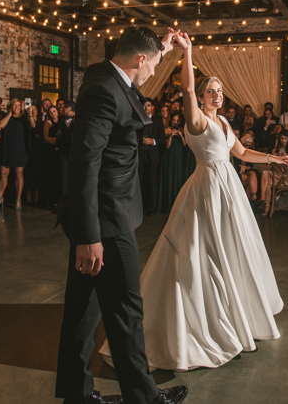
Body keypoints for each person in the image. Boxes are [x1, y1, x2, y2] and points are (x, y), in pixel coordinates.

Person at [100, 29, 288, 373]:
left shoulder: (226, 121)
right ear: (201, 97)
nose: (216, 94)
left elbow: (243, 153)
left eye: (219, 90)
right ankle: (194, 319)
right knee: (203, 253)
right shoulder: (197, 120)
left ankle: (235, 314)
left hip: (229, 190)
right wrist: (188, 53)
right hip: (206, 189)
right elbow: (187, 87)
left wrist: (276, 159)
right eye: (210, 91)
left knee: (233, 250)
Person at [55, 26, 187, 404]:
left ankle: (76, 396)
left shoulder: (104, 73)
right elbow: (83, 166)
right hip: (105, 221)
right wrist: (88, 236)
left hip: (102, 215)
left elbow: (136, 69)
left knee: (83, 311)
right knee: (127, 312)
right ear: (139, 59)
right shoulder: (102, 91)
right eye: (155, 61)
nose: (156, 70)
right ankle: (144, 400)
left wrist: (162, 44)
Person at [0, 99, 35, 209]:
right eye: (14, 106)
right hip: (6, 149)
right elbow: (0, 126)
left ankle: (18, 198)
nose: (16, 108)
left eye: (18, 106)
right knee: (3, 175)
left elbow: (33, 125)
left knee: (18, 174)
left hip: (19, 149)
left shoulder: (24, 119)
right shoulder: (6, 117)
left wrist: (30, 115)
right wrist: (9, 114)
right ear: (10, 107)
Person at [260, 129, 288, 215]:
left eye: (285, 138)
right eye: (282, 138)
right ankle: (263, 198)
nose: (283, 141)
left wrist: (287, 157)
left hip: (287, 175)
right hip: (276, 172)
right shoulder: (275, 150)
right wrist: (277, 157)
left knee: (268, 182)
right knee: (264, 173)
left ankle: (267, 207)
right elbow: (272, 163)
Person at [139, 100, 165, 215]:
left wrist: (153, 141)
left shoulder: (158, 121)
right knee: (139, 181)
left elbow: (162, 138)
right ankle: (139, 207)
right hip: (139, 154)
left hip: (153, 156)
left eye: (148, 105)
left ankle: (152, 209)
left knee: (152, 183)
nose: (146, 107)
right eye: (144, 105)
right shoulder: (138, 119)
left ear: (152, 107)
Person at [156, 113, 186, 213]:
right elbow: (167, 146)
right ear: (171, 120)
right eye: (174, 120)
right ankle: (167, 205)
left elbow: (185, 145)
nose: (175, 122)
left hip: (179, 158)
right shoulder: (167, 130)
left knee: (178, 179)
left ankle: (177, 206)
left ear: (180, 121)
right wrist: (171, 136)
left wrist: (181, 136)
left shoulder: (183, 130)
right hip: (169, 157)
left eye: (177, 120)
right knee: (168, 179)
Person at [42, 106, 63, 208]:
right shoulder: (47, 123)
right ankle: (53, 200)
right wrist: (59, 141)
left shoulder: (62, 122)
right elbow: (46, 139)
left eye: (54, 111)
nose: (53, 114)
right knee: (53, 176)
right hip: (51, 153)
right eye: (50, 112)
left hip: (61, 152)